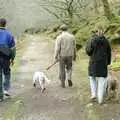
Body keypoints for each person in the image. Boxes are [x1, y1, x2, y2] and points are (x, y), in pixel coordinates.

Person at [85, 26, 111, 104]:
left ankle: (93, 95)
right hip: (103, 63)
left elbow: (88, 51)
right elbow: (109, 53)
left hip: (94, 62)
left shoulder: (92, 40)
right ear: (103, 32)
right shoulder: (106, 41)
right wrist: (108, 62)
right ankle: (100, 99)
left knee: (92, 77)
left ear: (95, 32)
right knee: (102, 81)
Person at [0, 18, 16, 102]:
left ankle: (0, 96)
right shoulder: (9, 35)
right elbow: (13, 49)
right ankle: (5, 89)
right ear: (5, 24)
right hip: (6, 57)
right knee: (6, 73)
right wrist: (12, 59)